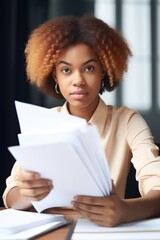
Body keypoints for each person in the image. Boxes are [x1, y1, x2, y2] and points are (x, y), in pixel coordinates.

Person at [3, 15, 160, 227]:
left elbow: (156, 185)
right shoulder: (43, 123)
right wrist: (26, 192)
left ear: (104, 71)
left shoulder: (127, 121)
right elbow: (11, 196)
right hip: (49, 232)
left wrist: (125, 210)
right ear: (55, 76)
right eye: (66, 70)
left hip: (105, 232)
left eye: (89, 68)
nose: (78, 80)